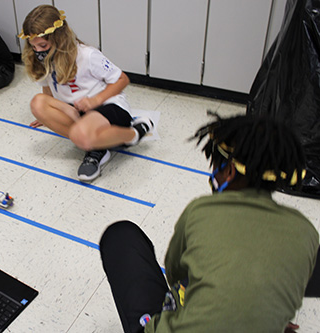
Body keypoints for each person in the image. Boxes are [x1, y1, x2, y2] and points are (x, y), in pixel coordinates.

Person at [100, 114, 319, 333]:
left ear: (230, 171)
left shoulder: (201, 211)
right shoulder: (306, 231)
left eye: (217, 165)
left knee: (121, 236)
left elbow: (176, 274)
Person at [19, 5, 154, 182]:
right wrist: (48, 115)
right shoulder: (43, 58)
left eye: (42, 45)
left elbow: (122, 80)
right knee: (37, 103)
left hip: (108, 105)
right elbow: (47, 90)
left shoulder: (87, 55)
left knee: (79, 135)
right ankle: (95, 144)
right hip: (78, 109)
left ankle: (133, 134)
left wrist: (95, 100)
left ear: (58, 39)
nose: (38, 51)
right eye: (33, 46)